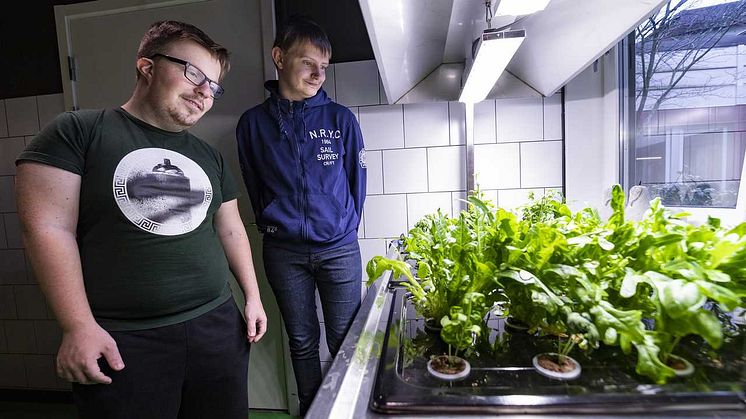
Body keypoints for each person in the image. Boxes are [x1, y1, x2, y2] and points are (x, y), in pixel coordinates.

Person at [15, 20, 266, 419]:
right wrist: (77, 326)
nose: (205, 92)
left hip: (217, 326)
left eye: (214, 86)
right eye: (194, 73)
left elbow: (231, 228)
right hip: (123, 340)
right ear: (147, 66)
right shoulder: (78, 131)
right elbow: (47, 228)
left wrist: (252, 297)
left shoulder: (209, 156)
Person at [235, 15, 366, 415]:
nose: (317, 74)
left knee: (346, 339)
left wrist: (341, 228)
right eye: (308, 62)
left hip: (339, 250)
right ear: (279, 57)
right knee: (302, 340)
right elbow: (253, 185)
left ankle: (348, 410)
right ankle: (313, 410)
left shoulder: (340, 119)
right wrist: (277, 222)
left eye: (323, 66)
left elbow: (356, 185)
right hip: (283, 252)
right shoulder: (253, 124)